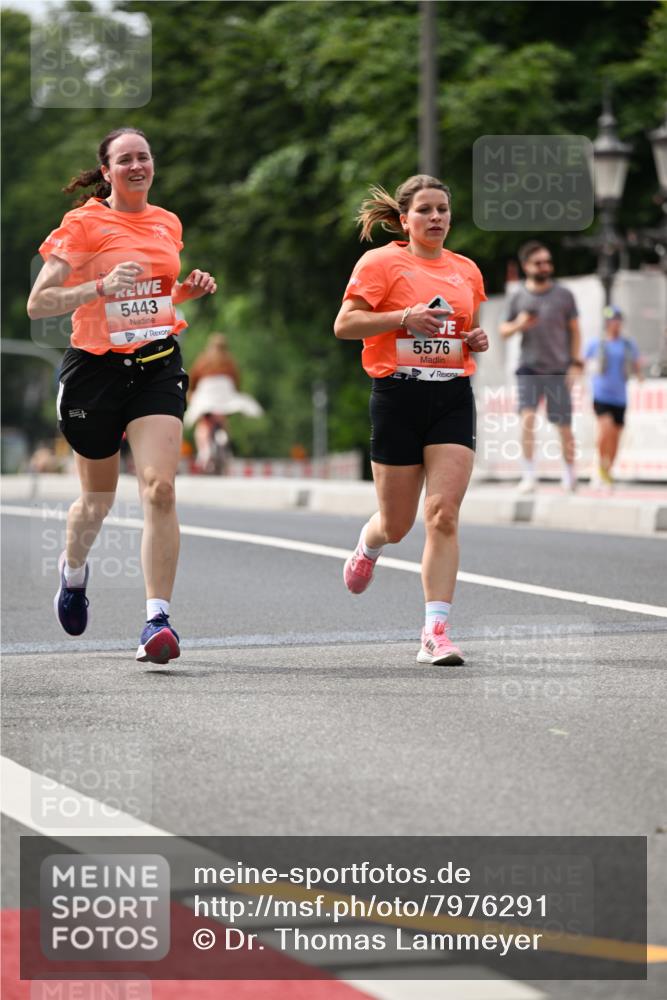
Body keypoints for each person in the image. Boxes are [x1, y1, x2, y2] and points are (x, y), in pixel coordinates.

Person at [27, 126, 217, 664]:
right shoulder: (84, 224)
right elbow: (39, 304)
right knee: (98, 500)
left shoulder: (167, 222)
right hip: (94, 371)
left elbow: (154, 298)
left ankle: (157, 620)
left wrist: (186, 291)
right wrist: (99, 287)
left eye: (145, 157)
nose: (138, 166)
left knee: (159, 489)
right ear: (106, 171)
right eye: (126, 159)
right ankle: (74, 572)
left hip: (156, 365)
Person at [334, 175, 489, 666]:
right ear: (405, 220)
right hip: (397, 396)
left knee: (442, 514)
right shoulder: (380, 263)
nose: (437, 218)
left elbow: (459, 331)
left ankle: (435, 633)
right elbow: (345, 324)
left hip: (451, 397)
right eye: (425, 210)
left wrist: (474, 340)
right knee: (397, 524)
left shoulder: (467, 271)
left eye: (443, 209)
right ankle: (368, 544)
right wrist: (403, 317)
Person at [499, 241, 583, 493]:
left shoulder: (564, 295)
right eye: (539, 262)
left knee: (564, 424)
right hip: (529, 367)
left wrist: (576, 362)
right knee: (527, 419)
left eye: (548, 261)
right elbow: (503, 330)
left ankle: (569, 474)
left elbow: (575, 330)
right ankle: (528, 475)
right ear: (526, 266)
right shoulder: (517, 297)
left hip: (558, 368)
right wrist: (520, 324)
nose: (545, 266)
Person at [185, 332, 263, 473]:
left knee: (202, 425)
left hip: (206, 395)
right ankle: (225, 447)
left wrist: (191, 394)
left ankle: (204, 452)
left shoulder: (203, 360)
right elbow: (236, 382)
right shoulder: (229, 362)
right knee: (223, 422)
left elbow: (193, 380)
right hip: (225, 395)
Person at [584, 305, 641, 488]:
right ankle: (601, 465)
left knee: (616, 436)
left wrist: (640, 375)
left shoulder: (627, 344)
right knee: (605, 430)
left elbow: (636, 365)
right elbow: (582, 362)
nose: (615, 323)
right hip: (601, 394)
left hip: (620, 397)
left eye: (617, 319)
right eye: (611, 320)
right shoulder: (597, 343)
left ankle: (608, 470)